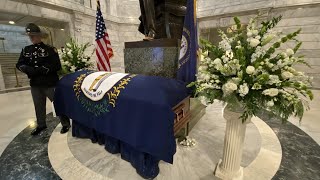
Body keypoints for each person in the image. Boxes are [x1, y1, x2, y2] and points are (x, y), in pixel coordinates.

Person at [16, 23, 70, 135]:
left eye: (34, 35)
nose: (31, 38)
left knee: (58, 103)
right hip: (35, 84)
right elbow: (19, 64)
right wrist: (26, 68)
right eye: (30, 35)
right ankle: (41, 125)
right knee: (38, 106)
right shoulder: (26, 50)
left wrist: (40, 70)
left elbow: (56, 65)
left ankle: (65, 124)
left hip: (49, 83)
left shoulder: (50, 49)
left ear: (39, 36)